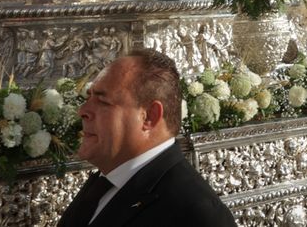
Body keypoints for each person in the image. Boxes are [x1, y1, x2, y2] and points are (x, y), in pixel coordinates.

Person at [58, 47, 235, 227]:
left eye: (102, 101)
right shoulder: (104, 183)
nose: (83, 111)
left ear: (149, 116)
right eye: (88, 98)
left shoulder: (197, 213)